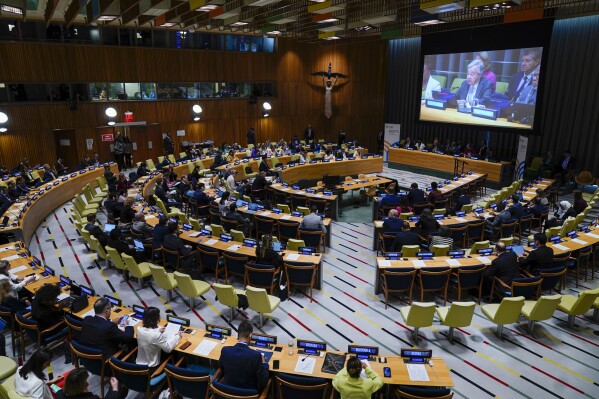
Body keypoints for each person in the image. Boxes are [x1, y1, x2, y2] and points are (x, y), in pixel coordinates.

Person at [218, 321, 269, 391]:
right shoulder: (256, 356)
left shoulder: (225, 350)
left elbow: (221, 368)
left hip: (227, 392)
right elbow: (263, 382)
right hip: (247, 394)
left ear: (237, 335)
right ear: (250, 335)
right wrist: (264, 363)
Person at [55, 368, 121, 399]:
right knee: (118, 390)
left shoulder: (59, 394)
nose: (87, 384)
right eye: (85, 382)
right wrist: (114, 388)